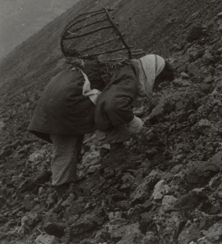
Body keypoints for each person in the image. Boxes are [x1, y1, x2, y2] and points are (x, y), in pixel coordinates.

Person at [27, 54, 174, 188]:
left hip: (57, 96)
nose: (155, 88)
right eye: (158, 82)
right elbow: (112, 105)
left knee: (65, 141)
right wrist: (133, 121)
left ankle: (62, 185)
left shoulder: (122, 65)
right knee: (116, 110)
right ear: (152, 73)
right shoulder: (129, 77)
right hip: (68, 99)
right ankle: (118, 155)